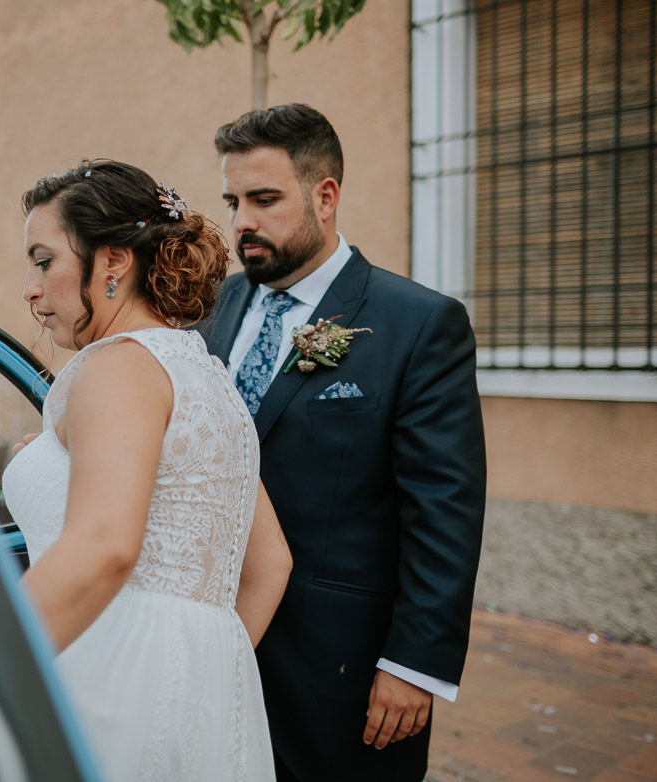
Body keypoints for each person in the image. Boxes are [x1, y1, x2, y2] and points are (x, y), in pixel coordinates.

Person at [203, 103, 486, 782]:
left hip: (337, 667)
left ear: (323, 196)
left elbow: (443, 507)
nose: (242, 221)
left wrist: (413, 664)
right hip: (211, 643)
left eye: (264, 199)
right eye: (233, 201)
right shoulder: (211, 307)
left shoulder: (417, 325)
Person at [2, 159, 291, 781]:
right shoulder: (206, 377)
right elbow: (271, 566)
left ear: (112, 262)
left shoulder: (118, 366)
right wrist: (196, 679)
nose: (29, 288)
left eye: (44, 260)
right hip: (204, 696)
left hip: (101, 677)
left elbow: (104, 546)